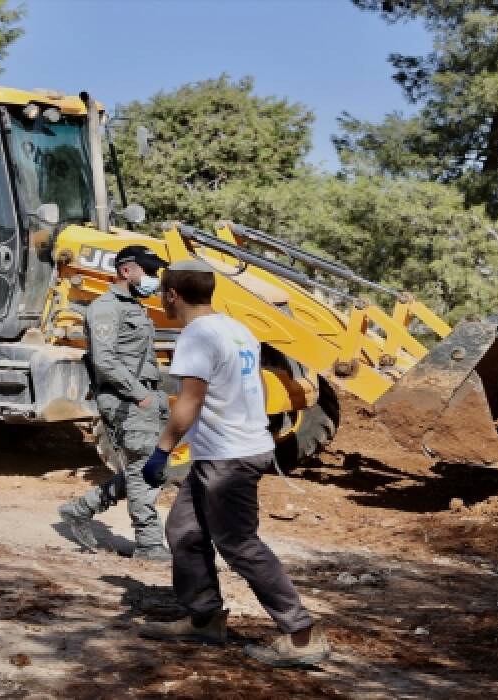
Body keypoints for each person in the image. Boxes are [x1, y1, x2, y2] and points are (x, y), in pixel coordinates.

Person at [138, 260, 331, 667]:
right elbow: (256, 385)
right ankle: (205, 618)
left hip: (229, 458)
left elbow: (190, 400)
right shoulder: (236, 328)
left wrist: (162, 451)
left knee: (239, 544)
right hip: (225, 451)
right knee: (185, 530)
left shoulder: (197, 335)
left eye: (162, 293)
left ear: (172, 295)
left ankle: (301, 635)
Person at [57, 245, 171, 561]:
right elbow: (104, 360)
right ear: (126, 271)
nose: (153, 279)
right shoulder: (106, 308)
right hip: (127, 399)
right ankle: (149, 545)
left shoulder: (134, 306)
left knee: (151, 468)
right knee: (142, 470)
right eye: (148, 271)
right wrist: (140, 394)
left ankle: (81, 509)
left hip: (147, 397)